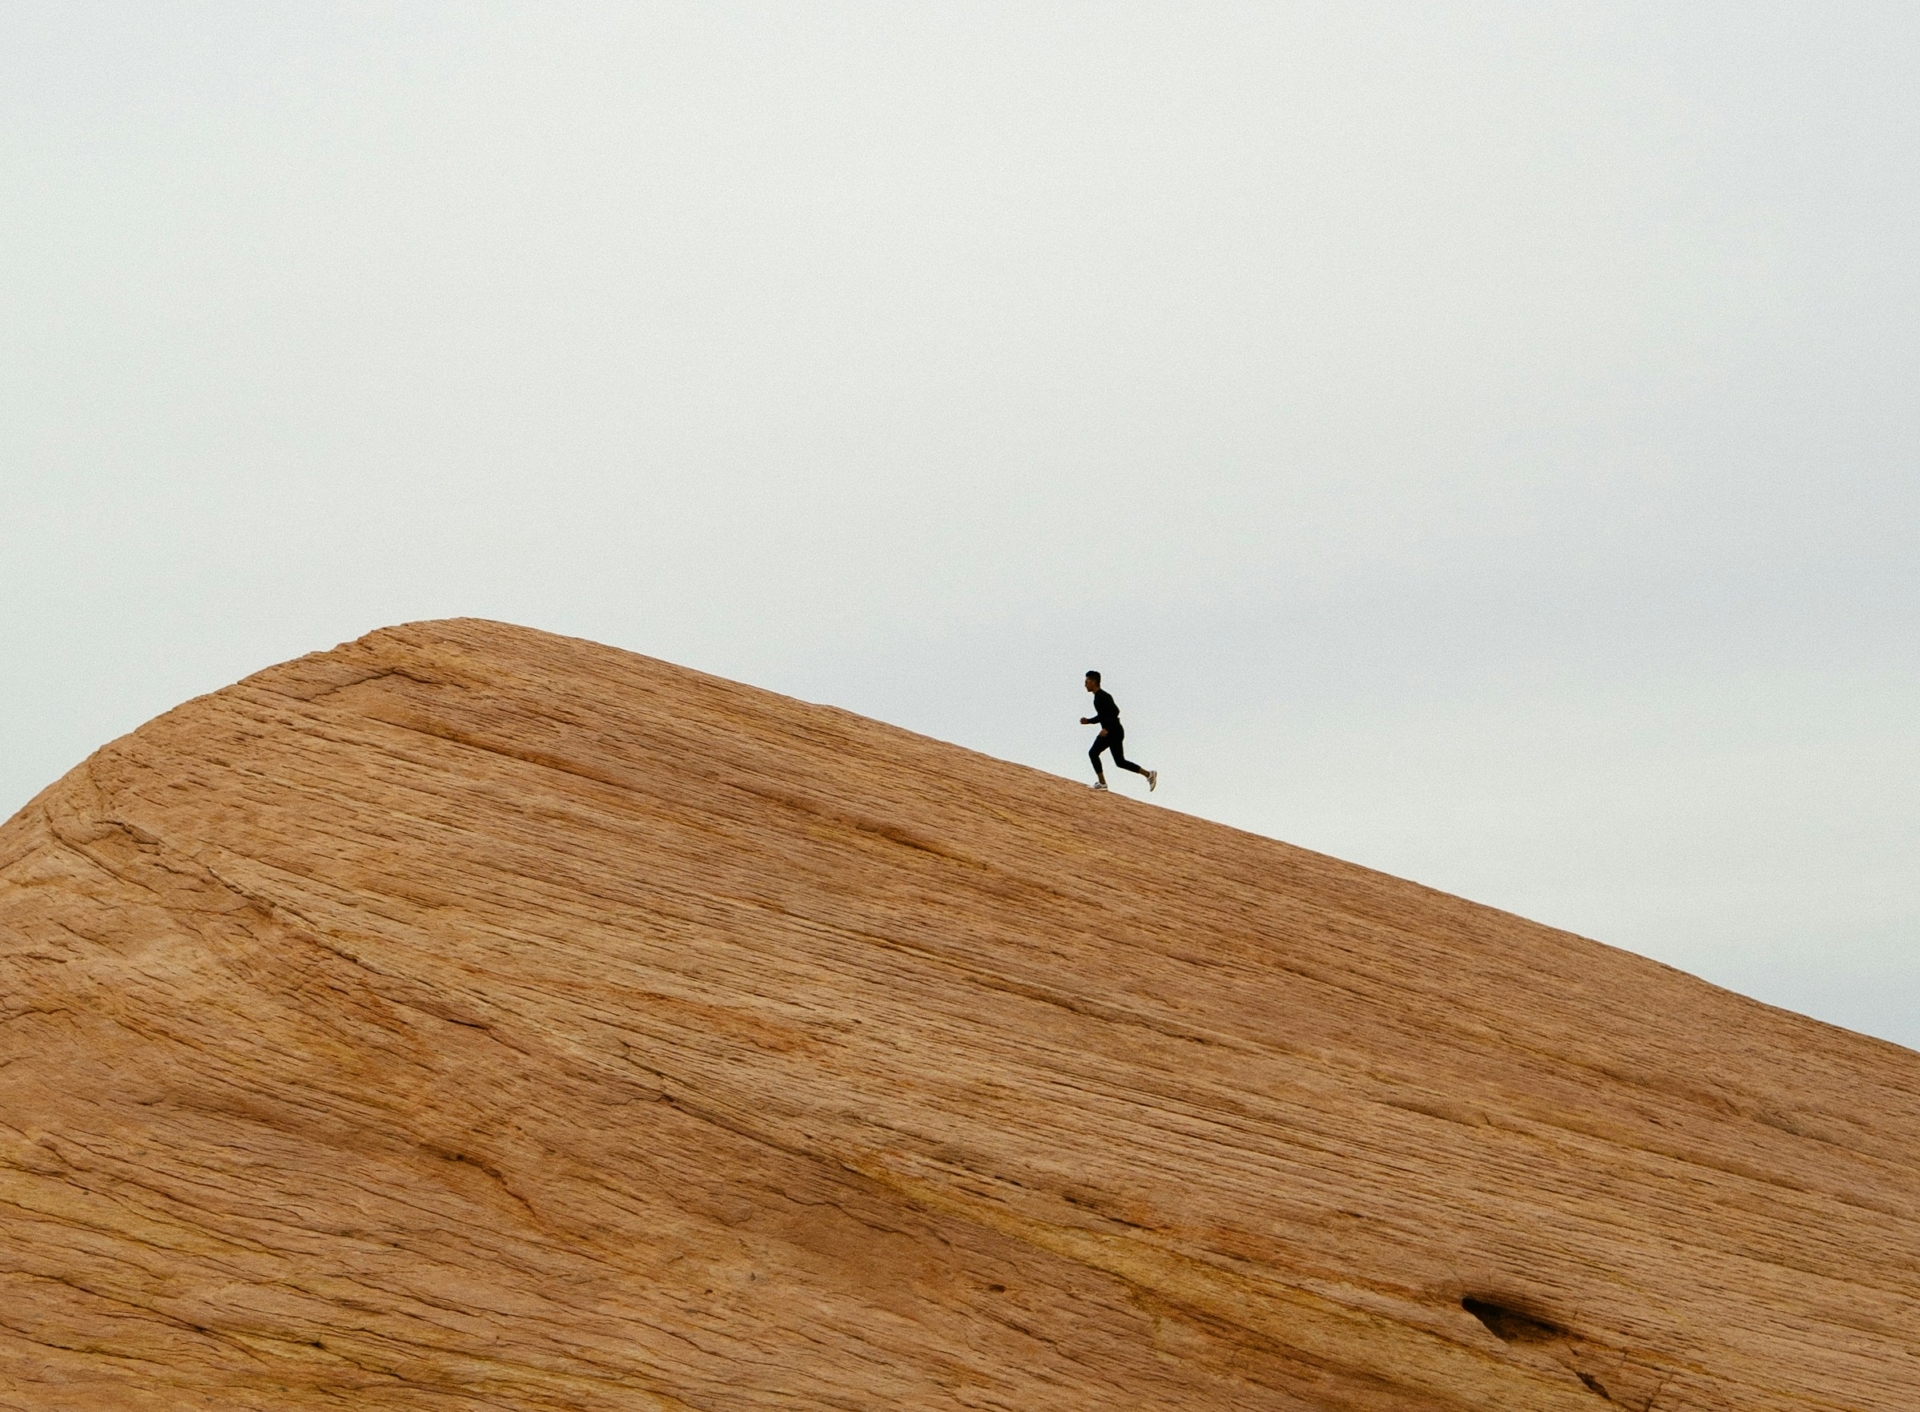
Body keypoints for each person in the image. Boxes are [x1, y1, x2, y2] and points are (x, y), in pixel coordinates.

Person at [1080, 671, 1157, 792]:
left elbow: (1115, 711)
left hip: (1113, 731)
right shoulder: (1097, 697)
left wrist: (1107, 729)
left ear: (1093, 682)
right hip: (1115, 731)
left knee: (1093, 753)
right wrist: (1088, 721)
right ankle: (1148, 774)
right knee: (1120, 762)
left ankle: (1102, 783)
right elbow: (1102, 716)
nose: (1085, 685)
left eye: (1087, 682)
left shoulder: (1102, 696)